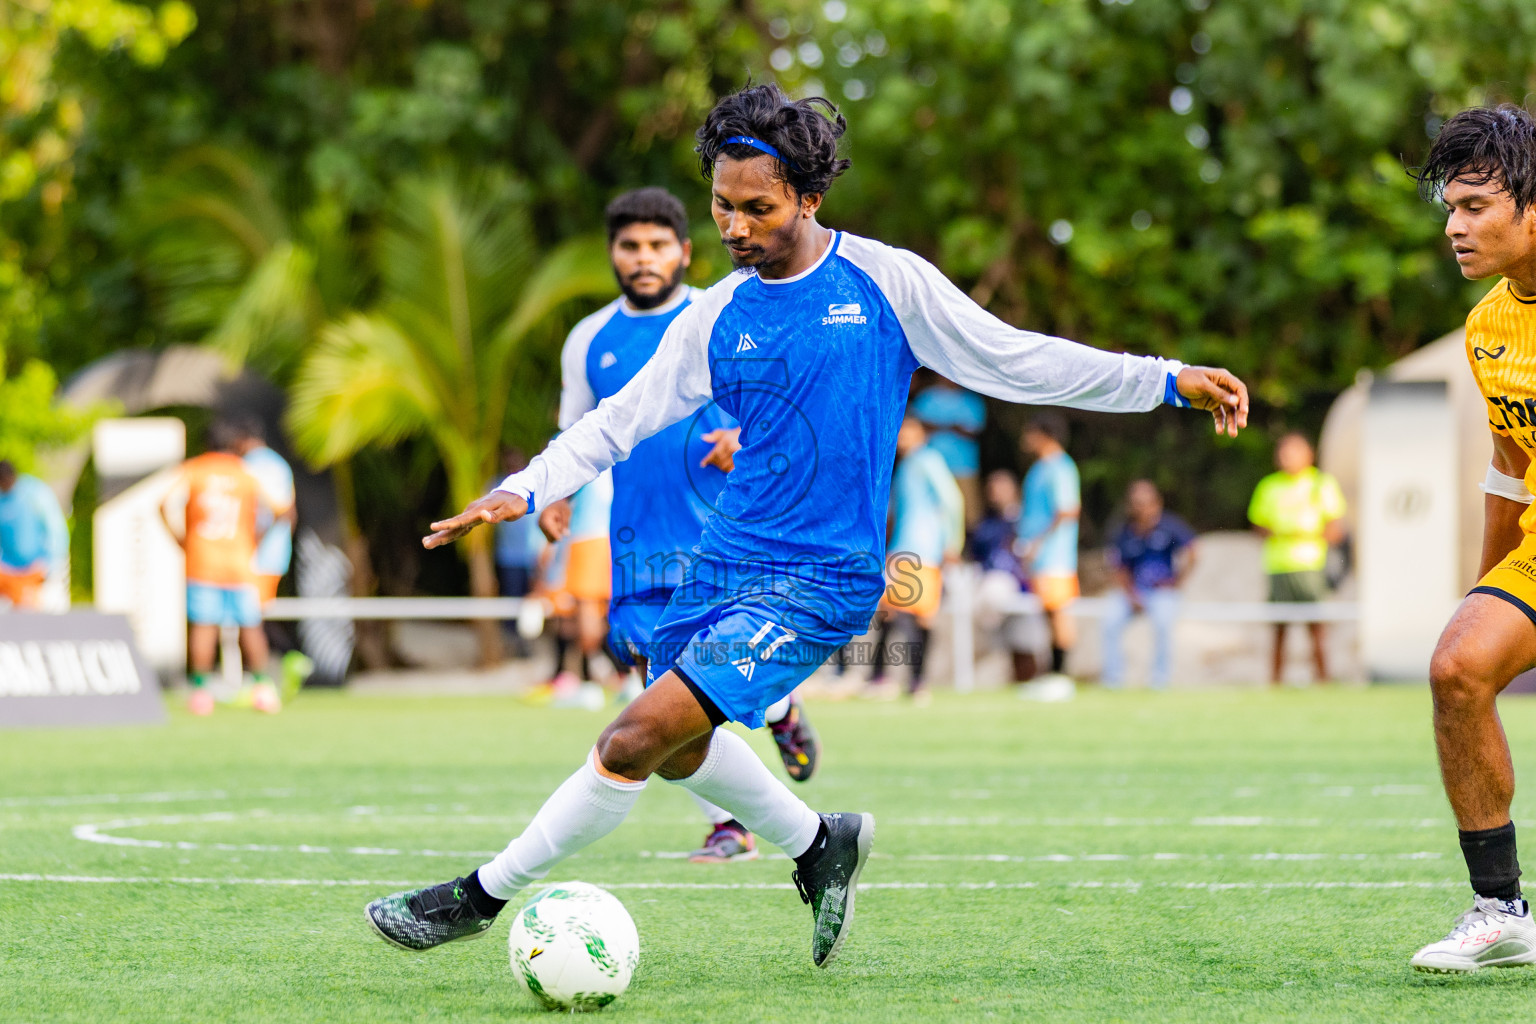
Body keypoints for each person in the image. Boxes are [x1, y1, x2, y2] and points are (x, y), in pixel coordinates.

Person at [363, 83, 1247, 968]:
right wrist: (525, 486)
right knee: (678, 751)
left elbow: (1016, 358)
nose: (736, 228)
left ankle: (475, 898)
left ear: (810, 199)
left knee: (630, 739)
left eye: (759, 208)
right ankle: (820, 844)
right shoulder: (714, 312)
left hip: (822, 577)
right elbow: (616, 420)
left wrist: (1164, 378)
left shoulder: (885, 283)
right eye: (722, 206)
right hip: (720, 562)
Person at [537, 186, 820, 864]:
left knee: (715, 678)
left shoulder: (723, 314)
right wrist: (556, 491)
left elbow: (785, 413)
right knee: (660, 694)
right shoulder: (590, 341)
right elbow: (577, 430)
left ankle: (780, 712)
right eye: (630, 246)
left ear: (684, 252)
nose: (643, 258)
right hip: (640, 548)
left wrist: (747, 444)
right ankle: (729, 824)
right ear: (613, 254)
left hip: (732, 537)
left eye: (657, 245)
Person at [1404, 104, 1536, 971]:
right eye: (1450, 207)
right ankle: (1502, 910)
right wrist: (1485, 597)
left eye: (1477, 206)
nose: (1456, 226)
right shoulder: (1487, 328)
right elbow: (1509, 464)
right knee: (1458, 666)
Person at [160, 420, 280, 716]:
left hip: (202, 561)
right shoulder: (245, 473)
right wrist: (256, 539)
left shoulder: (194, 469)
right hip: (239, 562)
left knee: (204, 625)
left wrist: (181, 540)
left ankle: (201, 693)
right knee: (250, 626)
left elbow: (163, 504)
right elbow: (277, 509)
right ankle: (262, 689)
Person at [866, 414, 963, 702]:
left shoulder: (927, 460)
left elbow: (953, 500)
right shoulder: (906, 466)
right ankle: (895, 680)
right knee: (899, 613)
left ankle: (905, 681)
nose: (902, 436)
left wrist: (953, 543)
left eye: (907, 430)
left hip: (920, 550)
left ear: (921, 432)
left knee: (908, 614)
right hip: (904, 549)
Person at [1247, 432, 1345, 685]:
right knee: (1278, 628)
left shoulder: (1321, 484)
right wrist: (1282, 533)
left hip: (1311, 566)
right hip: (1278, 566)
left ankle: (1323, 681)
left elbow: (1335, 529)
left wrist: (1303, 535)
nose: (1287, 457)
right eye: (1283, 452)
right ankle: (1276, 683)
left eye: (1293, 451)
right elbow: (1258, 526)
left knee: (1316, 628)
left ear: (1308, 454)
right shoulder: (1268, 486)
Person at [1101, 480, 1196, 690]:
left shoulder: (1169, 526)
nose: (1140, 508)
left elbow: (1194, 549)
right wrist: (1130, 594)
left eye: (1145, 502)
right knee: (1109, 620)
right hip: (1133, 591)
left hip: (1162, 591)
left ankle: (1160, 680)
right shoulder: (1124, 531)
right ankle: (1112, 680)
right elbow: (1119, 567)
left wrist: (1178, 581)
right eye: (1136, 503)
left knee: (1163, 622)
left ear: (1156, 503)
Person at [1016, 413, 1081, 685]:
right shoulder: (1039, 468)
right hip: (1039, 557)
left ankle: (1061, 675)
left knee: (1059, 613)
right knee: (1046, 613)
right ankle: (1051, 674)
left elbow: (1067, 511)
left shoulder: (1060, 467)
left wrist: (1038, 542)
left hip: (1055, 556)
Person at [910, 372, 987, 525]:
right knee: (933, 511)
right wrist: (951, 426)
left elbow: (974, 432)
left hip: (964, 468)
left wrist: (937, 425)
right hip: (930, 466)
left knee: (968, 515)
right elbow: (915, 427)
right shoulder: (925, 398)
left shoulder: (972, 401)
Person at [234, 419, 296, 605]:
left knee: (250, 618)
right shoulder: (280, 464)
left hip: (251, 555)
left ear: (242, 439)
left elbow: (278, 511)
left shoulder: (246, 466)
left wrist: (256, 541)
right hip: (277, 553)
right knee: (260, 614)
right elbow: (291, 513)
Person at [493, 447, 545, 657]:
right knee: (512, 601)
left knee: (532, 602)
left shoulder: (535, 487)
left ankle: (528, 644)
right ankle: (513, 645)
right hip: (508, 557)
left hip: (532, 557)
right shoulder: (495, 487)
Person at [0, 459, 69, 610]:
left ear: (13, 477)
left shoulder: (35, 492)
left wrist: (50, 564)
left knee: (40, 616)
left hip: (38, 570)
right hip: (8, 573)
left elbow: (55, 529)